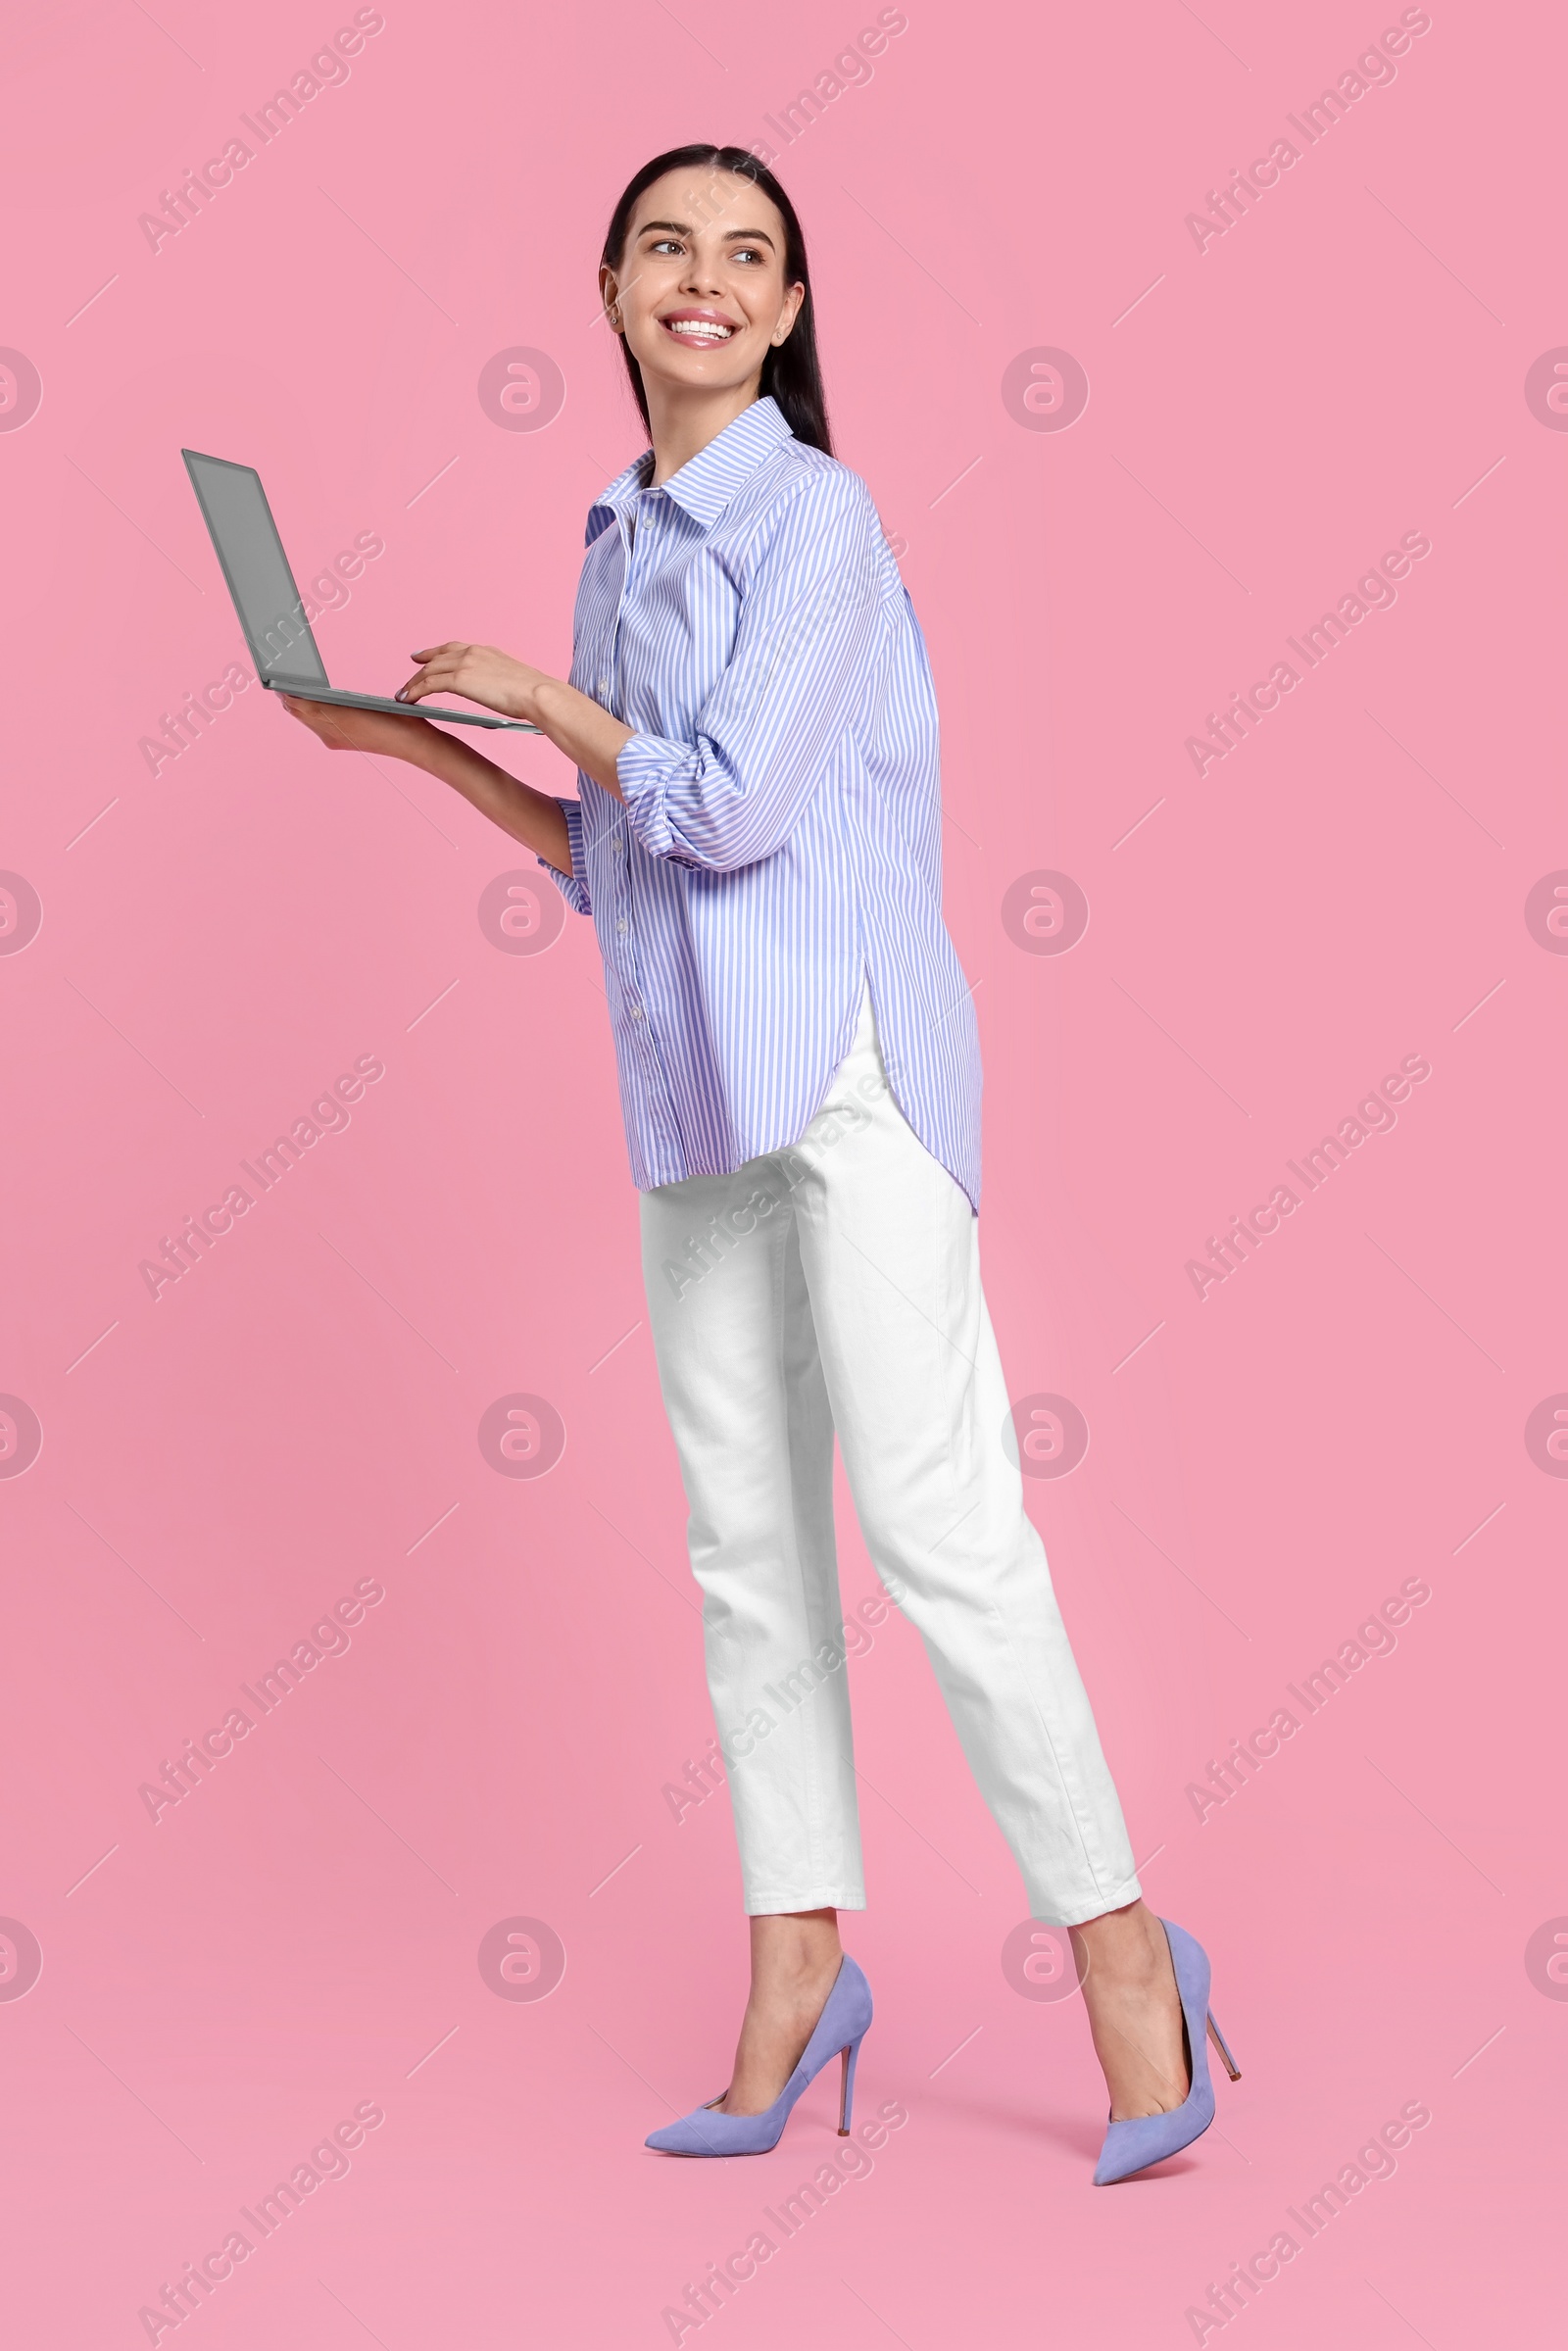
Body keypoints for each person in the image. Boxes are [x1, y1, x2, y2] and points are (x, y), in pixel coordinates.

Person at [280, 142, 1237, 2183]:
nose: (701, 281)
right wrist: (430, 752)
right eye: (665, 249)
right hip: (694, 1088)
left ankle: (1125, 1951)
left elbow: (722, 813)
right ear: (611, 288)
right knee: (744, 1556)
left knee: (937, 1527)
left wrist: (552, 703)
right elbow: (621, 867)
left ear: (788, 314)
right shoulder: (617, 538)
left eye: (745, 257)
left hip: (850, 1075)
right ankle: (797, 1965)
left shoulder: (819, 515)